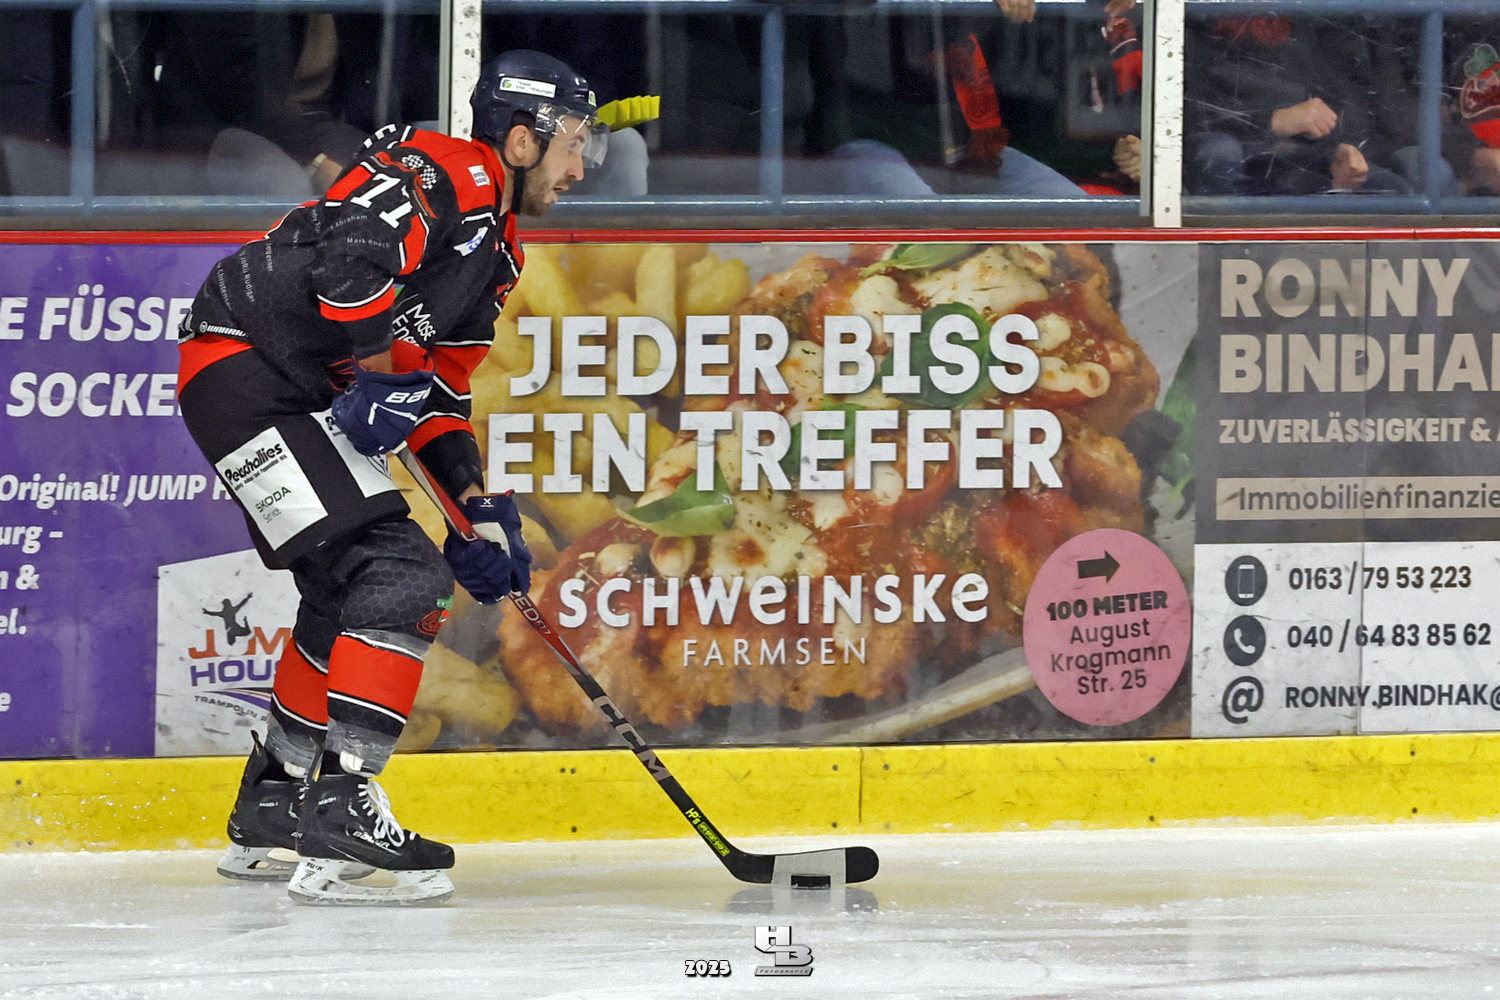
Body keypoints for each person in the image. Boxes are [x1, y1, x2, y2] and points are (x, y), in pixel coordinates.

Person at [175, 50, 607, 906]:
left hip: (291, 389)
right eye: (572, 144)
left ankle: (274, 803)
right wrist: (379, 372)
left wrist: (475, 511)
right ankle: (342, 809)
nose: (580, 167)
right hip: (246, 367)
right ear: (522, 140)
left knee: (345, 589)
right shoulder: (443, 168)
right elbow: (348, 263)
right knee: (400, 573)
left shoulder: (499, 254)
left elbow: (439, 393)